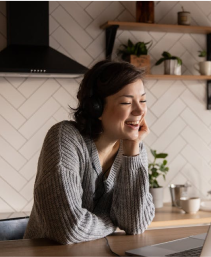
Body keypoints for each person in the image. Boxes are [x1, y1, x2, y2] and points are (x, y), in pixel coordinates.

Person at [23, 60, 155, 244]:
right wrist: (112, 221)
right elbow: (69, 229)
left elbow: (135, 224)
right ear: (96, 107)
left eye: (143, 100)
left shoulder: (135, 149)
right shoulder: (65, 138)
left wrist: (132, 151)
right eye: (126, 102)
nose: (140, 110)